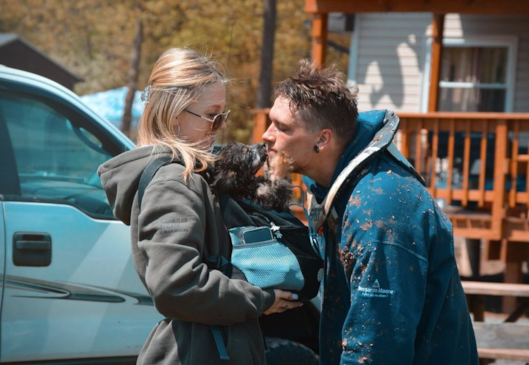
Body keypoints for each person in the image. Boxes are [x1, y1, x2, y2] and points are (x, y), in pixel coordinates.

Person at [262, 60, 478, 365]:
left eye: (282, 128)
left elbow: (377, 345)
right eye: (271, 122)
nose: (267, 136)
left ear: (322, 139)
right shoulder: (332, 188)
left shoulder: (380, 212)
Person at [98, 48, 301, 365]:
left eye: (224, 116)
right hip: (199, 351)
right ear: (173, 113)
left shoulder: (182, 176)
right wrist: (260, 299)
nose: (219, 126)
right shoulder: (174, 183)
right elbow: (176, 285)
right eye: (212, 115)